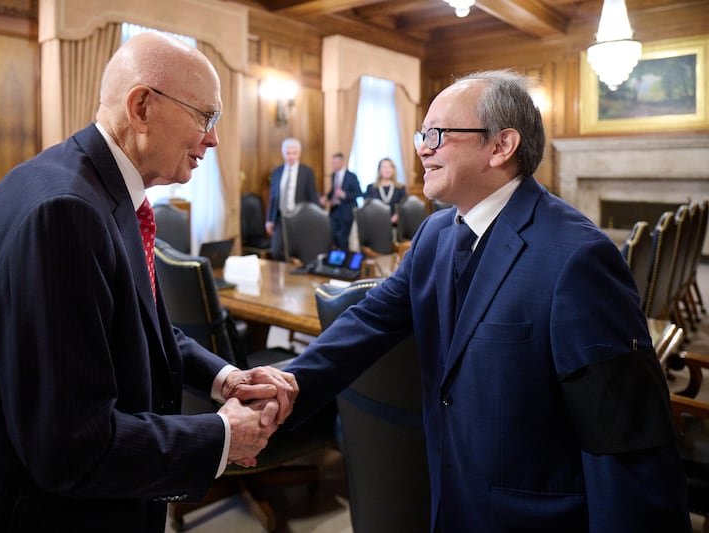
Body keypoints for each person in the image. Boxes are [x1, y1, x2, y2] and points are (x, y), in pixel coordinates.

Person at [0, 33, 297, 533]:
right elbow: (69, 445)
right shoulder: (66, 215)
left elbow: (137, 323)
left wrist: (224, 378)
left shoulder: (96, 189)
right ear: (141, 107)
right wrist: (221, 437)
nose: (213, 139)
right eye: (206, 117)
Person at [284, 70, 689, 531]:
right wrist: (287, 385)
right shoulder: (434, 234)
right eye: (421, 133)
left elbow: (625, 444)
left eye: (438, 133)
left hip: (532, 516)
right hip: (450, 496)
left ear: (501, 146)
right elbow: (370, 321)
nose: (422, 147)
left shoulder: (578, 258)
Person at [265, 138, 320, 260]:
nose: (291, 156)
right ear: (283, 153)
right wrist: (269, 219)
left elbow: (313, 197)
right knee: (276, 251)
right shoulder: (277, 171)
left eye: (294, 153)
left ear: (299, 153)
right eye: (288, 153)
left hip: (301, 219)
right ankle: (283, 276)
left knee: (302, 253)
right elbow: (273, 197)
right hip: (281, 218)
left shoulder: (307, 172)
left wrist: (316, 220)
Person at [320, 152, 362, 250]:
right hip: (335, 211)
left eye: (335, 163)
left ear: (341, 162)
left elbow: (359, 193)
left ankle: (343, 262)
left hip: (347, 212)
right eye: (332, 163)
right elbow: (333, 191)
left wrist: (344, 195)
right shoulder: (333, 175)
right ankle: (335, 261)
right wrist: (326, 197)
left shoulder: (351, 176)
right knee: (333, 237)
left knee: (343, 239)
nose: (333, 165)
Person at [363, 157, 406, 225]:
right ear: (379, 170)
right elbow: (366, 207)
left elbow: (404, 206)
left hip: (396, 225)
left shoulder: (400, 188)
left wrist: (397, 216)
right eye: (384, 167)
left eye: (390, 167)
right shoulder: (371, 188)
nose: (387, 170)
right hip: (375, 224)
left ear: (393, 170)